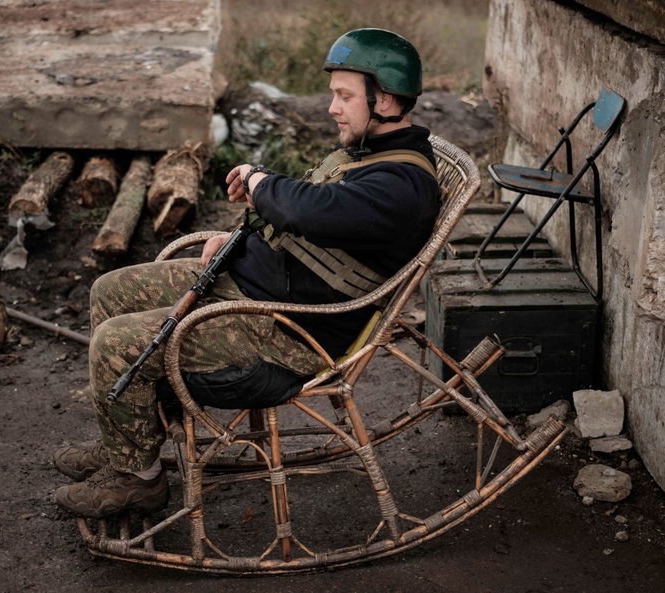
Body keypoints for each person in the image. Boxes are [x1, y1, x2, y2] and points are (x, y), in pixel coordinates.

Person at [53, 28, 442, 518]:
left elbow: (313, 212)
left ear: (384, 98)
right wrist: (242, 238)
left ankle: (138, 481)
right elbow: (308, 220)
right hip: (254, 294)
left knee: (115, 341)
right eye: (334, 95)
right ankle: (130, 443)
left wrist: (260, 180)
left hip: (283, 338)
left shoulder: (401, 186)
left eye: (344, 96)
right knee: (109, 291)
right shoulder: (368, 156)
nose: (332, 108)